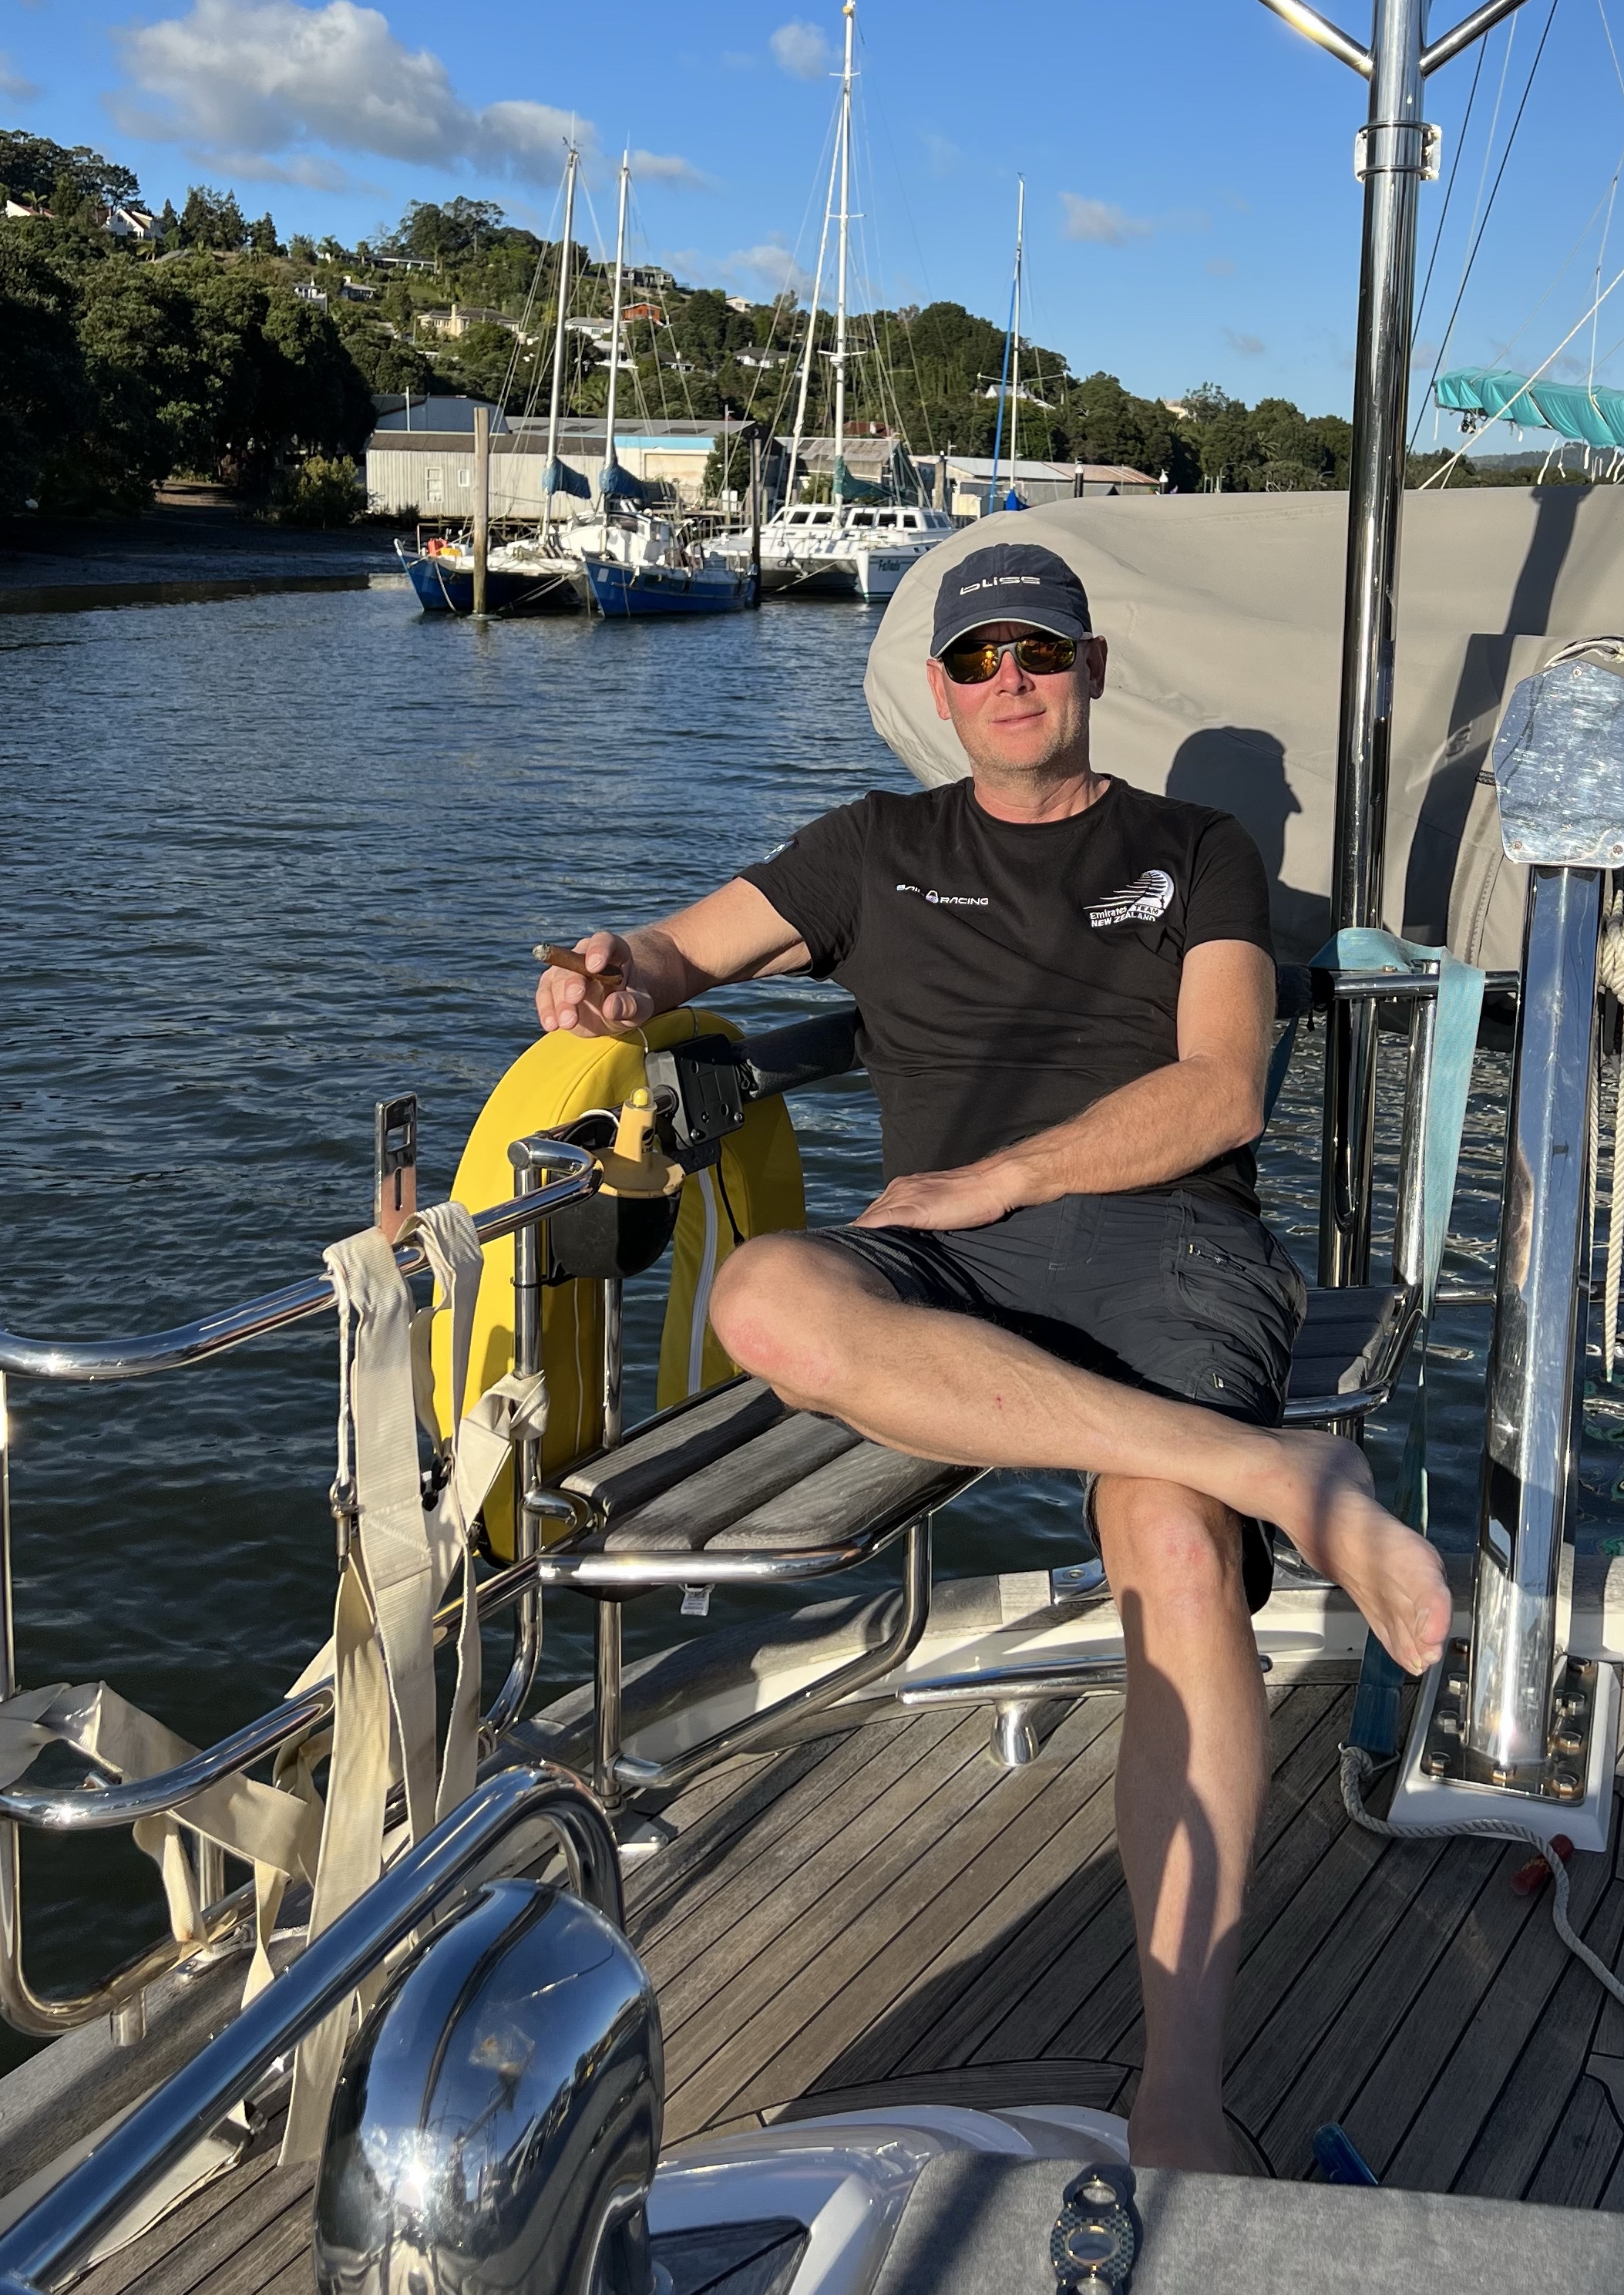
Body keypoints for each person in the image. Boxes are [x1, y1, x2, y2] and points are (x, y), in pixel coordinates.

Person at [534, 541, 1450, 2172]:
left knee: (1170, 1544)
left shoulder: (1195, 849)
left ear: (1091, 667)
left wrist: (1005, 1174)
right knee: (766, 1301)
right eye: (975, 657)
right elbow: (676, 956)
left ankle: (1177, 2085)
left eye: (1036, 648)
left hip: (1166, 1239)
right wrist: (612, 981)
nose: (1008, 678)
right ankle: (1277, 1469)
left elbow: (1222, 1089)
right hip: (941, 1254)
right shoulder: (868, 849)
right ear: (941, 690)